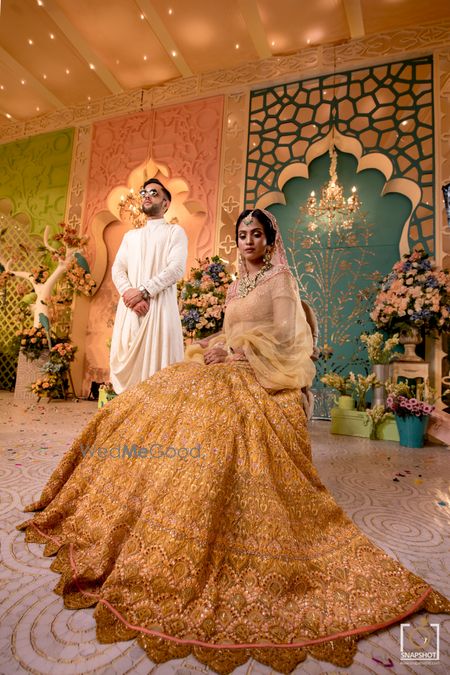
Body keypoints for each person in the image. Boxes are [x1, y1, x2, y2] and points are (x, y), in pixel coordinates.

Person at [19, 208, 448, 674]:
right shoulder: (235, 284)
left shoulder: (280, 281)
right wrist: (217, 346)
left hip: (262, 372)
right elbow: (230, 328)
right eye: (242, 234)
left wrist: (240, 352)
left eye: (256, 234)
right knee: (151, 399)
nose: (247, 241)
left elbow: (289, 338)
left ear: (269, 239)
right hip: (226, 361)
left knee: (218, 422)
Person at [109, 178, 188, 393]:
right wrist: (129, 295)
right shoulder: (130, 236)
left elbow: (176, 269)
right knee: (129, 383)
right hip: (131, 311)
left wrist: (143, 291)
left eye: (154, 193)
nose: (146, 196)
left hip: (160, 310)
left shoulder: (175, 232)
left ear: (165, 204)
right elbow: (117, 269)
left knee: (159, 376)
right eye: (144, 192)